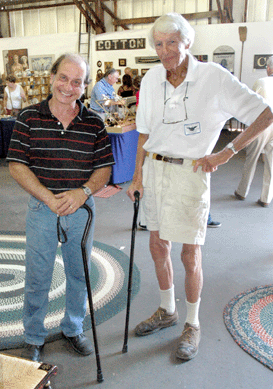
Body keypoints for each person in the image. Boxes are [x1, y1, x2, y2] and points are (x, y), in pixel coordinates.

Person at [126, 13, 273, 362]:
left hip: (191, 172)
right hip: (154, 169)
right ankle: (167, 310)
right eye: (158, 44)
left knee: (189, 254)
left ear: (187, 42)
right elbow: (144, 133)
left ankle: (192, 323)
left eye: (171, 43)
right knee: (157, 245)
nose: (165, 51)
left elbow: (265, 113)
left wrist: (227, 152)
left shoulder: (213, 77)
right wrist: (136, 177)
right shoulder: (149, 79)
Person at [6, 53, 115, 362]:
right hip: (43, 210)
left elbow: (103, 169)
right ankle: (33, 336)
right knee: (37, 276)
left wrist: (83, 193)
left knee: (79, 273)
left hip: (81, 211)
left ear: (84, 86)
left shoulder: (94, 122)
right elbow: (17, 165)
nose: (69, 87)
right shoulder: (29, 117)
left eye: (77, 82)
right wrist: (47, 197)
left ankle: (73, 328)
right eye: (64, 78)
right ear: (52, 77)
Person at [235, 56, 273, 207]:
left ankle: (242, 191)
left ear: (269, 68)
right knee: (271, 164)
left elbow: (250, 102)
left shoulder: (262, 82)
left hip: (262, 125)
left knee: (252, 158)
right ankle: (266, 198)